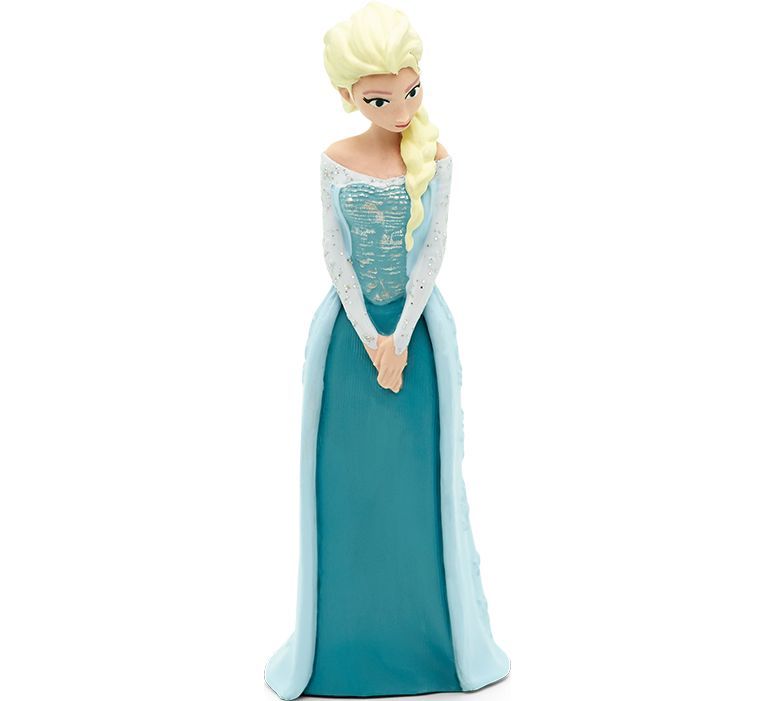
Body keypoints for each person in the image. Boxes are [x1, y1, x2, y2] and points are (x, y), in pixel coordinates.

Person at [264, 3, 510, 698]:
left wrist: (399, 338)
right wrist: (369, 336)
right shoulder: (334, 161)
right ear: (348, 96)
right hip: (348, 344)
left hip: (418, 338)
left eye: (411, 91)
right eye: (380, 99)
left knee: (419, 483)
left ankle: (426, 638)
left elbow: (433, 251)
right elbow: (332, 250)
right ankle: (343, 639)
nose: (401, 110)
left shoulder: (436, 159)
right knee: (347, 488)